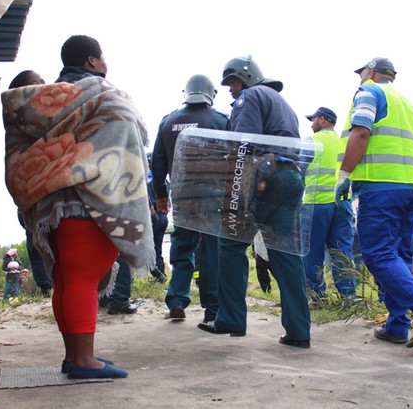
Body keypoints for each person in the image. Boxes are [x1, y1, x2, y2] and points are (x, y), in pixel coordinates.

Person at [2, 35, 155, 379]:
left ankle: (75, 356)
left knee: (67, 278)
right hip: (91, 201)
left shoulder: (47, 100)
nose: (105, 64)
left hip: (52, 205)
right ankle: (85, 361)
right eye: (102, 58)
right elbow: (128, 134)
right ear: (91, 61)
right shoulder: (100, 92)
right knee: (84, 277)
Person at [198, 55, 311, 348]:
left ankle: (231, 318)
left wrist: (235, 187)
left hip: (264, 176)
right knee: (285, 253)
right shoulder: (282, 103)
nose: (230, 90)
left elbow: (243, 143)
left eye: (232, 82)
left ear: (246, 77)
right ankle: (299, 331)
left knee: (230, 243)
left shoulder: (250, 96)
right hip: (291, 177)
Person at [335, 57, 413, 348]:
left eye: (361, 73)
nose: (360, 78)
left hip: (382, 186)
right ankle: (397, 325)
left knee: (377, 255)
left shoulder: (369, 92)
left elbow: (361, 131)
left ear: (370, 72)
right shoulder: (411, 106)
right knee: (399, 256)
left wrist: (345, 174)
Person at [151, 74, 229, 322]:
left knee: (183, 246)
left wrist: (161, 196)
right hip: (212, 194)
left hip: (182, 194)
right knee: (210, 251)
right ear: (210, 94)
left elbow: (158, 162)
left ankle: (176, 300)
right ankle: (212, 308)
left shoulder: (168, 121)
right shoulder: (219, 120)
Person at [301, 106, 356, 302]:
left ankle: (317, 297)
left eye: (313, 119)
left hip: (316, 204)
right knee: (342, 251)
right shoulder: (345, 142)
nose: (311, 123)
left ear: (323, 120)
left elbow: (300, 169)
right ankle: (348, 296)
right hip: (342, 204)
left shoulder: (312, 141)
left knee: (311, 252)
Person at [8, 71, 53, 297]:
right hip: (33, 195)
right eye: (36, 82)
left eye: (43, 80)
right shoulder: (25, 119)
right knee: (36, 242)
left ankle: (52, 285)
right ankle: (46, 286)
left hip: (46, 192)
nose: (44, 84)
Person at [146, 153, 168, 283]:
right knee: (158, 247)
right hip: (163, 216)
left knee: (147, 248)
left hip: (152, 216)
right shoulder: (164, 180)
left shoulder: (147, 179)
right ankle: (161, 274)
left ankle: (156, 272)